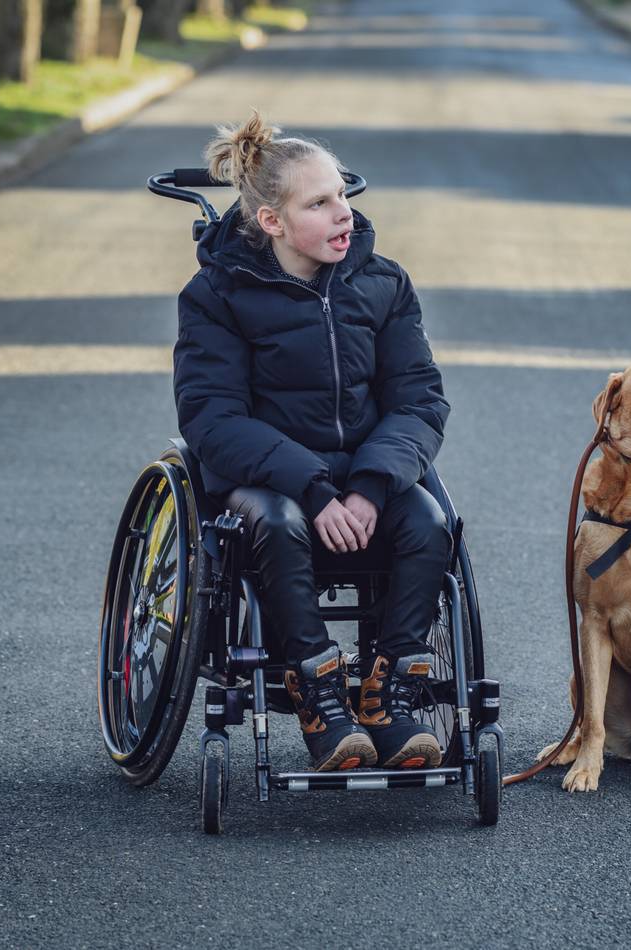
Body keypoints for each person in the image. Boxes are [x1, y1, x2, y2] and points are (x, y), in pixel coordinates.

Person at [173, 111, 452, 773]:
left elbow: (418, 400)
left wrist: (370, 485)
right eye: (319, 203)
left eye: (343, 198)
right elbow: (212, 419)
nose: (342, 215)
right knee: (278, 522)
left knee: (429, 523)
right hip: (266, 482)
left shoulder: (383, 284)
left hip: (366, 475)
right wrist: (317, 488)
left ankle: (391, 696)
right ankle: (320, 697)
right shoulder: (215, 295)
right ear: (272, 221)